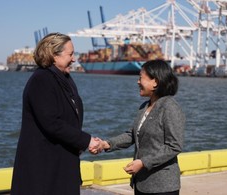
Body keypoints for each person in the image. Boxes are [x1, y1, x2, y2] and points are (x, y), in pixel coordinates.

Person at [11, 32, 101, 195]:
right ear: (53, 55)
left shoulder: (64, 79)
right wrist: (86, 141)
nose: (74, 59)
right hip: (44, 169)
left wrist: (81, 143)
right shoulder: (41, 80)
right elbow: (52, 123)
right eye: (71, 54)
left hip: (63, 163)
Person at [93, 59, 185, 195]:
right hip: (141, 183)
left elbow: (174, 146)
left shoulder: (170, 107)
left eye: (141, 78)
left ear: (155, 82)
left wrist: (143, 162)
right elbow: (133, 134)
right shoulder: (144, 107)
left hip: (162, 187)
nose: (137, 82)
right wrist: (106, 144)